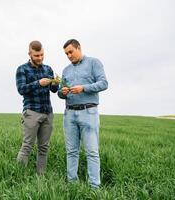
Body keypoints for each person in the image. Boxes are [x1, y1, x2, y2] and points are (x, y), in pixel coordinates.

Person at [58, 39, 108, 188]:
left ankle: (94, 187)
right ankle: (72, 185)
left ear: (79, 48)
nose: (68, 55)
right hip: (69, 114)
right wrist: (63, 92)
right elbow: (60, 93)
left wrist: (83, 88)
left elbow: (104, 83)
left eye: (71, 52)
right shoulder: (66, 70)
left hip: (89, 112)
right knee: (71, 151)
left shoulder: (94, 62)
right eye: (66, 53)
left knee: (92, 152)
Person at [16, 40, 59, 174]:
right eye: (36, 56)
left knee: (44, 148)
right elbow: (21, 89)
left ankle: (41, 176)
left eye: (41, 55)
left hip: (47, 112)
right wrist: (38, 83)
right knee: (27, 146)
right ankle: (19, 175)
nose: (40, 58)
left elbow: (53, 90)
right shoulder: (22, 69)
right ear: (30, 54)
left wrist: (55, 83)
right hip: (31, 112)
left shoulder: (48, 69)